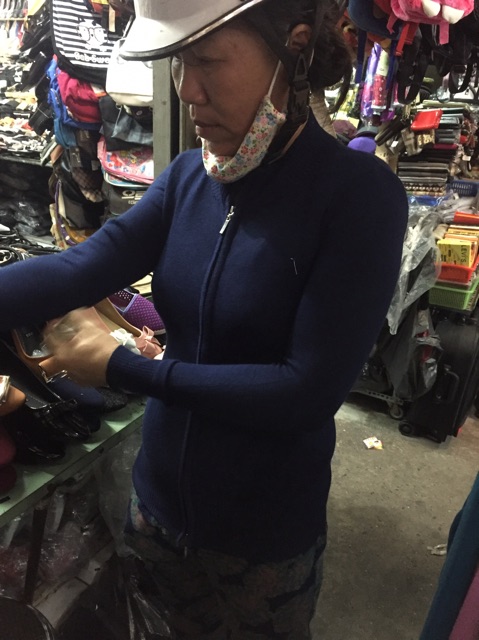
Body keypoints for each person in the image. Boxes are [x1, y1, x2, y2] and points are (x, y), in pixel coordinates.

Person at [0, 0, 408, 637]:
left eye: (209, 61)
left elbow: (304, 391)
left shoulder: (358, 196)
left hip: (261, 541)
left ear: (294, 48)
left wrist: (125, 369)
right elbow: (82, 268)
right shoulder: (191, 177)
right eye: (179, 64)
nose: (188, 90)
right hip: (155, 513)